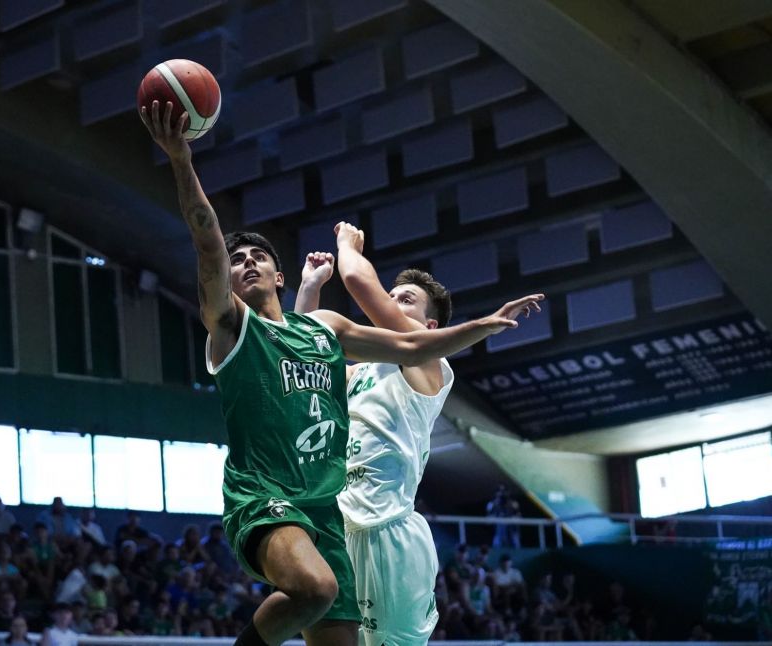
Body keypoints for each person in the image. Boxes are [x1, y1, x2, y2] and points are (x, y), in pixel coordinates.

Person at [140, 99, 543, 646]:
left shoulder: (356, 344)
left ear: (278, 275)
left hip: (346, 516)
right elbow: (211, 245)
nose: (246, 260)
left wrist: (485, 324)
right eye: (237, 261)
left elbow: (393, 343)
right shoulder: (234, 328)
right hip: (271, 496)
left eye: (258, 255)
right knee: (316, 589)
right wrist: (181, 159)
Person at [295, 220, 518, 645]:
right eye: (392, 296)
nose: (392, 303)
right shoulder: (358, 372)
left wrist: (347, 245)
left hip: (389, 534)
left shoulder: (430, 365)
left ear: (429, 329)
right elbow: (304, 354)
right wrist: (310, 287)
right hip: (337, 529)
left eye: (406, 301)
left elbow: (359, 281)